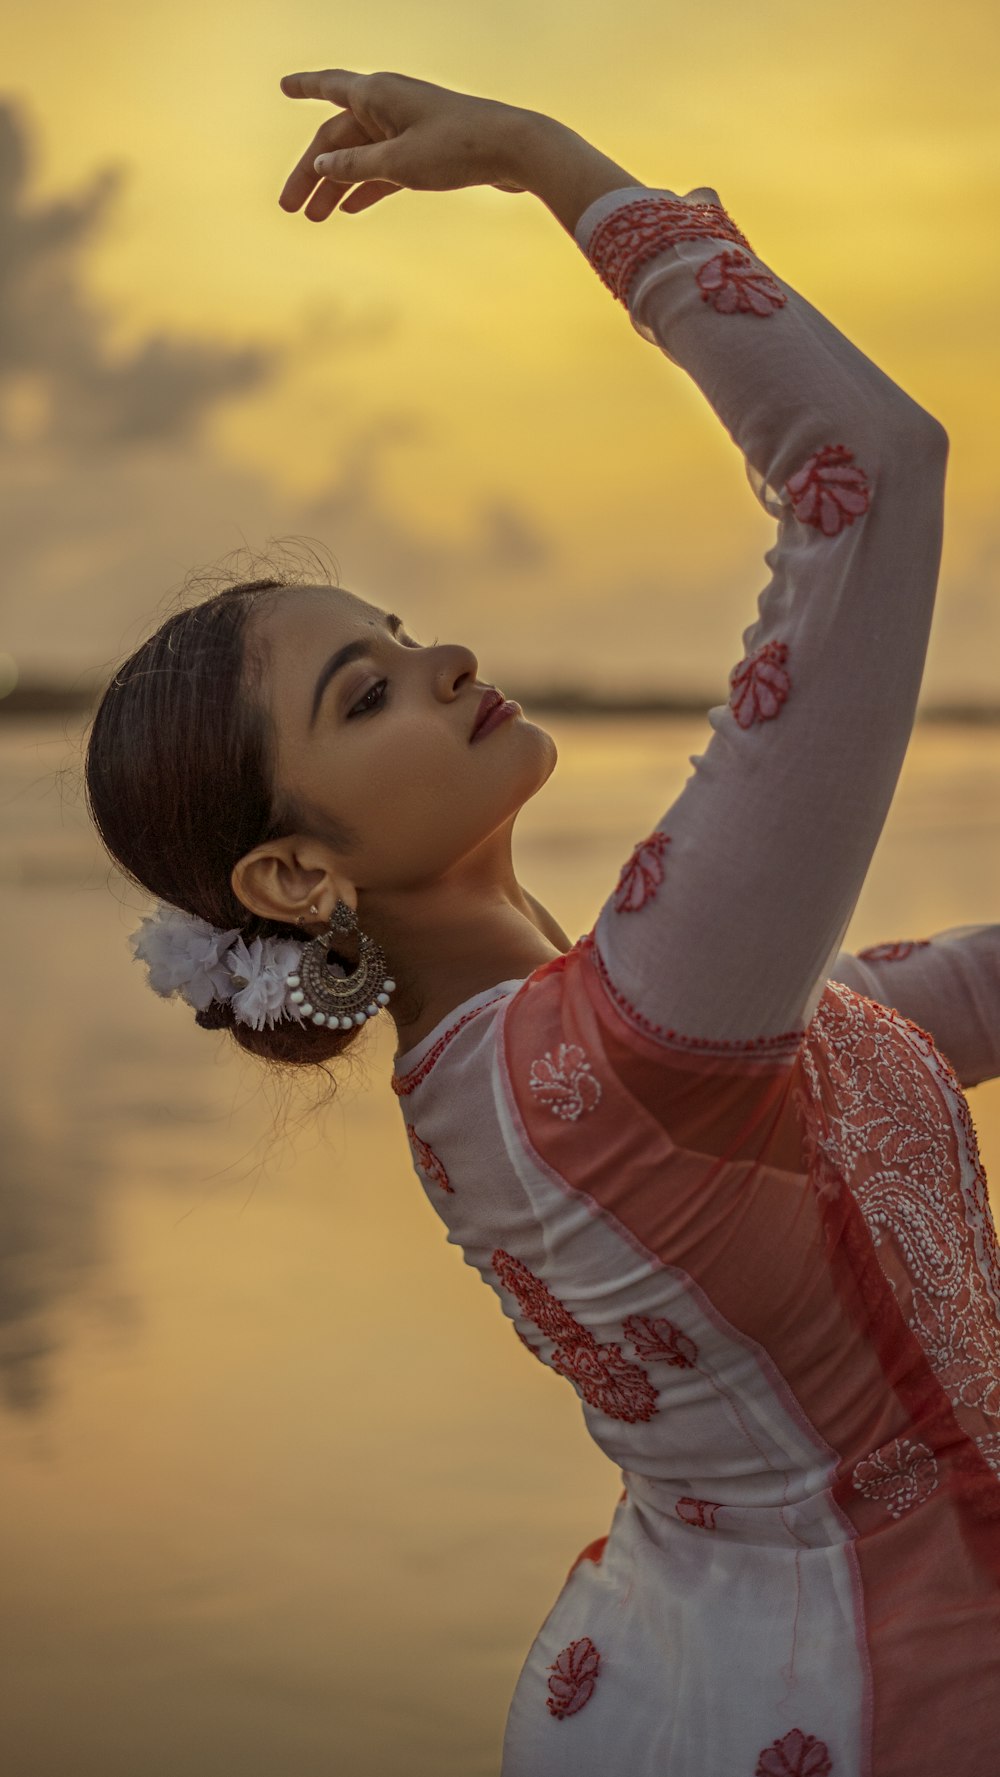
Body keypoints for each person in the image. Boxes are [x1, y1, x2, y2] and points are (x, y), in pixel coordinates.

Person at [83, 69, 1000, 1777]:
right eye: (367, 692)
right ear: (296, 876)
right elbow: (869, 471)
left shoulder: (519, 1067)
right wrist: (542, 160)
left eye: (405, 628)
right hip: (911, 1695)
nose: (440, 660)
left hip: (720, 1675)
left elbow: (912, 1012)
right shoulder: (626, 1042)